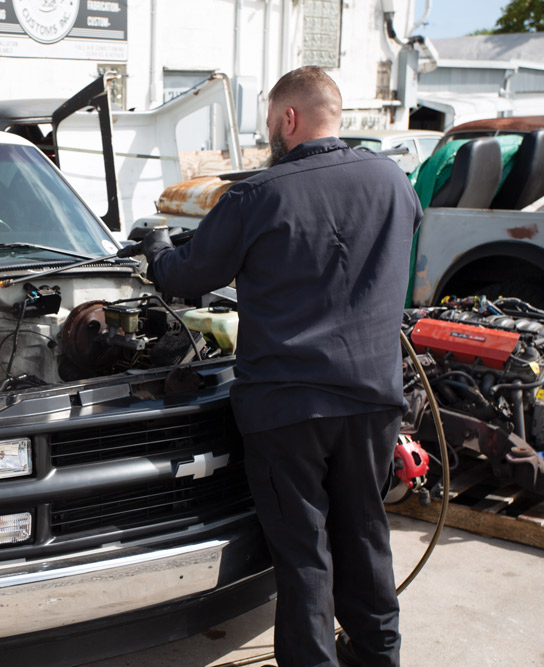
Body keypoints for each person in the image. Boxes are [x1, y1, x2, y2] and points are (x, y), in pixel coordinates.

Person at [143, 66, 422, 667]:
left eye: (271, 123)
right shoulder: (394, 182)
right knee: (366, 538)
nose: (270, 135)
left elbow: (191, 276)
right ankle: (378, 657)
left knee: (304, 555)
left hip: (287, 407)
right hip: (373, 400)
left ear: (289, 119)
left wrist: (157, 251)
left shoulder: (257, 194)